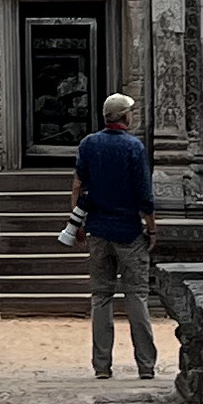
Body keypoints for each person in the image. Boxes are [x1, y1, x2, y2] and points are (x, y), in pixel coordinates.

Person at [75, 93, 161, 381]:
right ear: (125, 117)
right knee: (136, 296)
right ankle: (146, 365)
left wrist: (76, 223)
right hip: (128, 231)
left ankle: (102, 365)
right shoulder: (134, 148)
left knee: (101, 297)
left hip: (98, 230)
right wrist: (151, 226)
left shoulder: (89, 145)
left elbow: (78, 185)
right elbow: (144, 196)